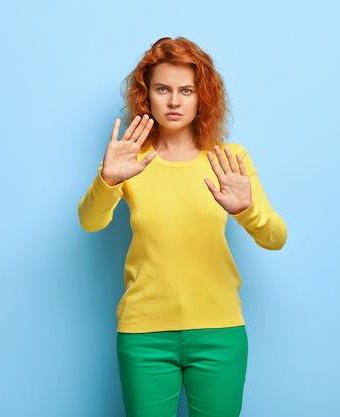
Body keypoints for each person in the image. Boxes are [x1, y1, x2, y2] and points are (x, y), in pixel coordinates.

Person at [78, 37, 286, 417]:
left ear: (201, 96)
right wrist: (107, 181)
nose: (174, 102)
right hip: (144, 334)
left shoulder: (229, 159)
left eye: (186, 90)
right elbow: (91, 222)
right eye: (163, 89)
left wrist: (245, 210)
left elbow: (275, 237)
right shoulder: (128, 159)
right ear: (147, 95)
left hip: (219, 331)